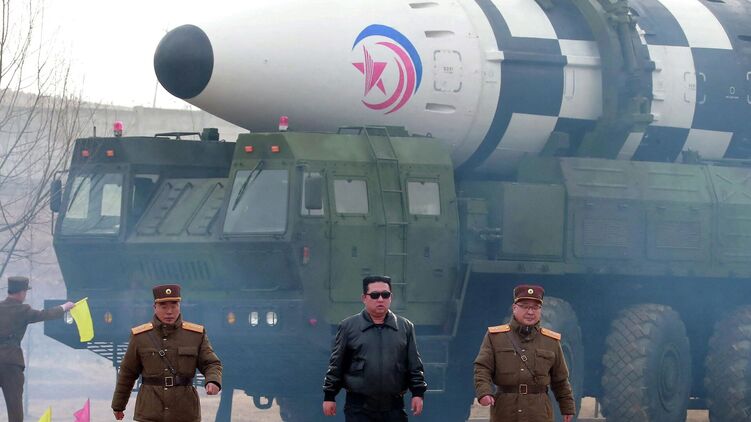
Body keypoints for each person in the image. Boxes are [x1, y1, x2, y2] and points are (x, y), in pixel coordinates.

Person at [111, 284, 222, 422]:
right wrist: (118, 405)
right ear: (155, 307)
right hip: (150, 412)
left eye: (174, 306)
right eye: (163, 307)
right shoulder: (140, 336)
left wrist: (213, 380)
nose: (169, 312)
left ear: (179, 306)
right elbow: (127, 373)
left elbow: (211, 363)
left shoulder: (195, 335)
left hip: (185, 412)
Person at [323, 275, 427, 421]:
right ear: (364, 298)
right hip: (359, 408)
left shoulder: (405, 327)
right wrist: (329, 396)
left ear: (391, 297)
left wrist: (418, 393)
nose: (380, 299)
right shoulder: (348, 327)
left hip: (394, 408)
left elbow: (414, 364)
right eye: (374, 295)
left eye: (385, 295)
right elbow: (336, 364)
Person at [473, 284, 575, 422]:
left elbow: (560, 379)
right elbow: (482, 368)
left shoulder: (550, 341)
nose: (530, 312)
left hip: (539, 412)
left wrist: (567, 407)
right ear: (514, 308)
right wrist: (484, 392)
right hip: (505, 410)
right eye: (525, 307)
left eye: (535, 307)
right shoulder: (496, 337)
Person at [0, 276, 75, 422]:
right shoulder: (23, 309)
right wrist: (64, 307)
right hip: (11, 363)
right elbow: (44, 314)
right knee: (14, 408)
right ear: (21, 292)